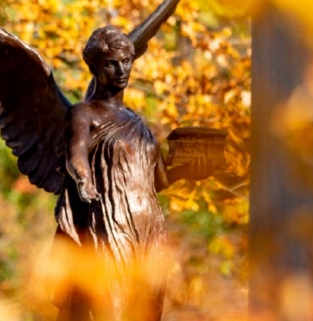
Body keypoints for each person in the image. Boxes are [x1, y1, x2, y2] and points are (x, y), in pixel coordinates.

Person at [53, 25, 209, 321]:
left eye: (126, 61)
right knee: (111, 306)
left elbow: (158, 180)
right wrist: (84, 180)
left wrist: (191, 170)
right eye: (111, 63)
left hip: (149, 226)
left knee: (145, 310)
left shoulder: (138, 122)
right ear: (94, 67)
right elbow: (76, 155)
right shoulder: (84, 114)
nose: (121, 70)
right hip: (111, 221)